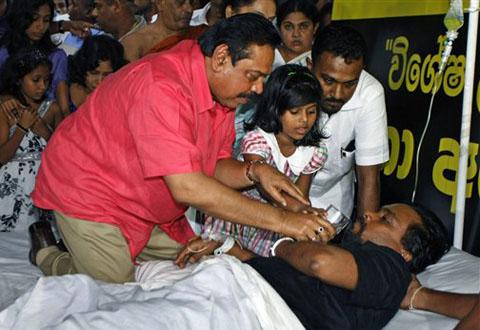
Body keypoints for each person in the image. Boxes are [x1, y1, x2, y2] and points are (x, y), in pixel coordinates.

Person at [31, 14, 330, 283]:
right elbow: (189, 187)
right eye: (253, 76)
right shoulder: (161, 86)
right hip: (88, 188)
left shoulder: (221, 91)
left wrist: (255, 171)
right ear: (222, 57)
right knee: (113, 286)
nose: (259, 89)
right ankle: (49, 255)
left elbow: (210, 164)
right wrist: (284, 221)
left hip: (137, 195)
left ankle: (92, 246)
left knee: (194, 257)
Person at [176, 64, 328, 264]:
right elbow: (269, 192)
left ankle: (232, 250)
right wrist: (300, 213)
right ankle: (227, 245)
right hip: (241, 215)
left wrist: (309, 213)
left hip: (278, 217)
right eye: (295, 112)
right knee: (266, 264)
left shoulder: (315, 152)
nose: (304, 120)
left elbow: (299, 197)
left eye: (311, 112)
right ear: (276, 109)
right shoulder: (258, 141)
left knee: (287, 259)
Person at [247, 203, 452, 330]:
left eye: (385, 219)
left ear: (405, 252)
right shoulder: (354, 259)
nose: (368, 214)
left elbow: (320, 263)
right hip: (247, 295)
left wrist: (283, 244)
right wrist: (227, 247)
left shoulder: (393, 268)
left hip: (255, 311)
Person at [308, 24, 389, 218]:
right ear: (310, 66)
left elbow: (369, 176)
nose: (337, 94)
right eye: (328, 81)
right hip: (280, 197)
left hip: (333, 201)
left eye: (349, 84)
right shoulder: (288, 82)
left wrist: (365, 240)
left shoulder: (370, 93)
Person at [0, 48, 63, 232]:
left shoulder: (52, 109)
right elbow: (2, 157)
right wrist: (21, 128)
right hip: (12, 187)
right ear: (19, 79)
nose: (42, 86)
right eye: (35, 80)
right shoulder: (6, 108)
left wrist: (41, 128)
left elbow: (60, 153)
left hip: (42, 184)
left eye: (46, 80)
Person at [0, 0, 70, 118]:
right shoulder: (4, 54)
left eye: (46, 20)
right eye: (34, 18)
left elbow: (64, 108)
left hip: (50, 125)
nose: (41, 26)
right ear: (21, 18)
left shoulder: (57, 57)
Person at [121, 0, 198, 62]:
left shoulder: (200, 34)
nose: (189, 9)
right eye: (180, 3)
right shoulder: (135, 43)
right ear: (159, 3)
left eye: (192, 2)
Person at [68, 35, 127, 111]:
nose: (100, 81)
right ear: (82, 67)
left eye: (107, 75)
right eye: (94, 73)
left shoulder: (116, 98)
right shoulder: (64, 88)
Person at [273, 0, 319, 68]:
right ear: (279, 29)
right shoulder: (269, 56)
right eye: (288, 27)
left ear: (315, 28)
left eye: (304, 26)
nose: (296, 34)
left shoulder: (320, 61)